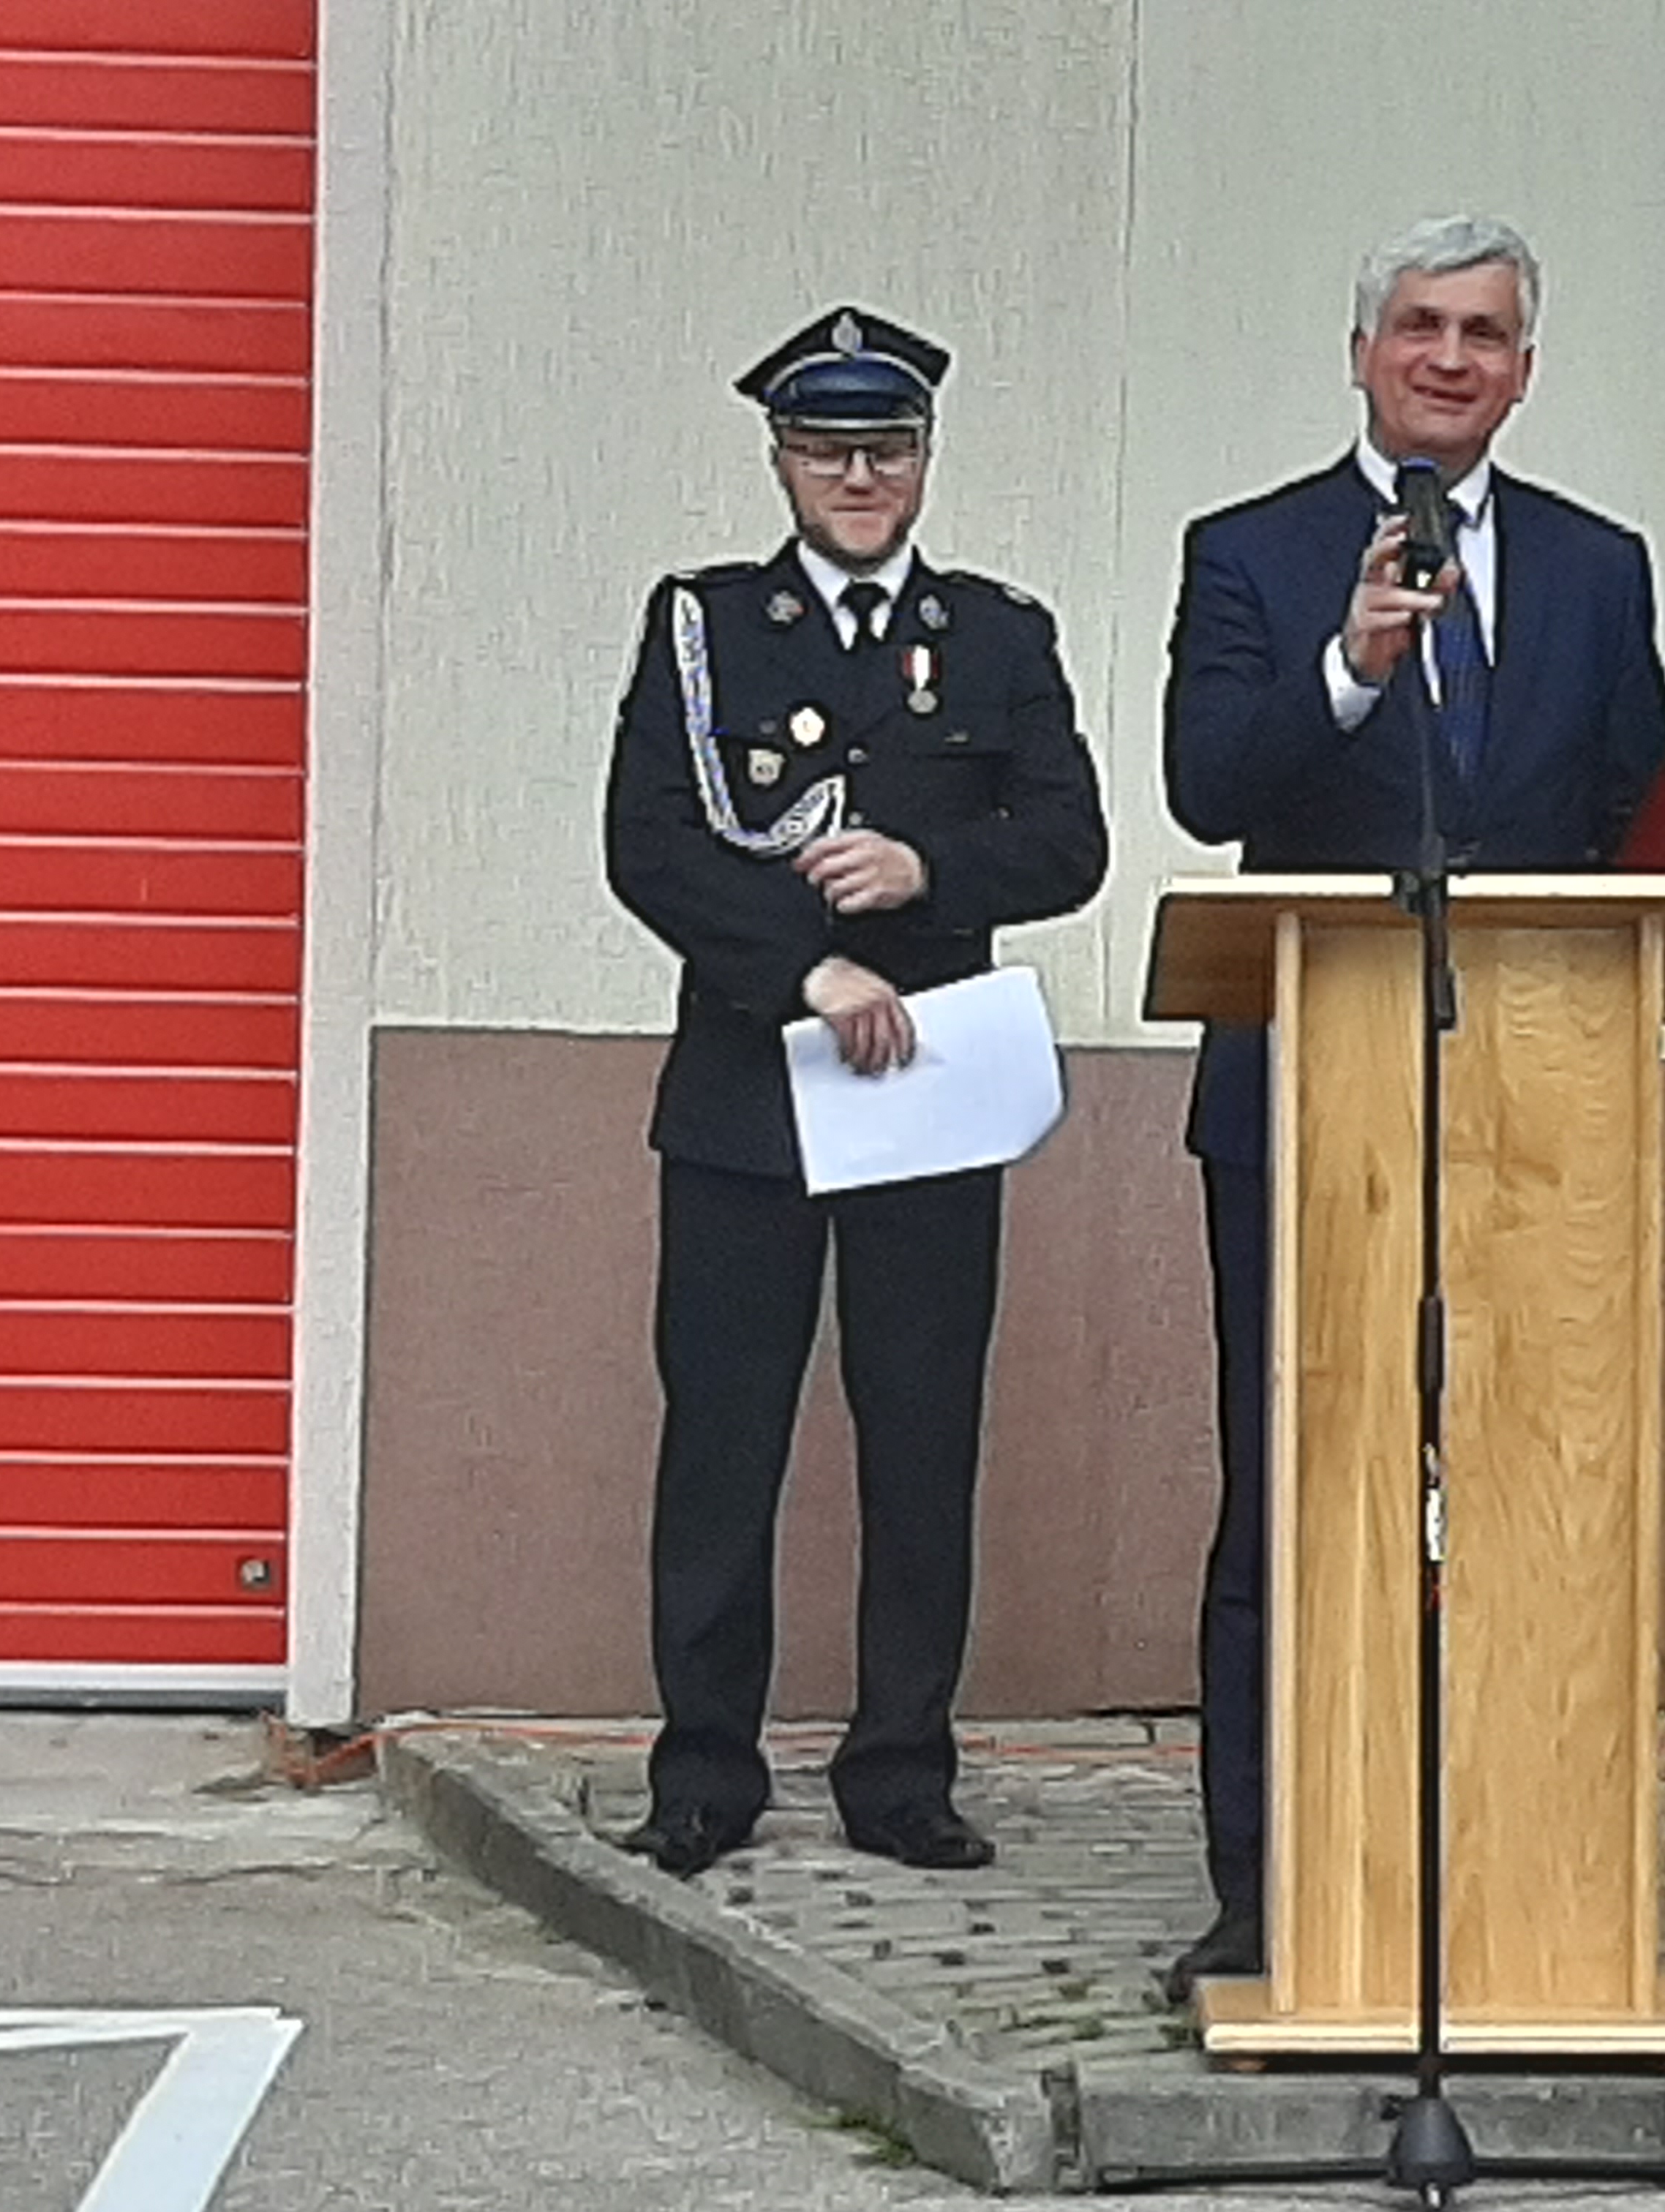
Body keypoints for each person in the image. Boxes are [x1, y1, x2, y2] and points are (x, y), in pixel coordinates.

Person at [1157, 217, 1665, 1997]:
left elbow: (1637, 827)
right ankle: (1270, 1889)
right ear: (1364, 353)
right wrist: (1352, 667)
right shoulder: (1252, 552)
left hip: (1536, 1115)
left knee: (1530, 1489)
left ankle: (1510, 1876)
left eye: (1486, 335)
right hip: (1310, 1101)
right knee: (1296, 1495)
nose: (1451, 359)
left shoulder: (1600, 569)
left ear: (1524, 372)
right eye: (1422, 327)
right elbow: (1207, 785)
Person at [604, 306, 1108, 1881]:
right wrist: (804, 969)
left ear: (925, 460)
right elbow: (649, 844)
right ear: (782, 462)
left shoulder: (998, 636)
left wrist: (927, 867)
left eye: (888, 450)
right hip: (751, 1094)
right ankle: (705, 1769)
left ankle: (900, 1770)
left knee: (921, 1436)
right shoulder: (707, 626)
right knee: (723, 1443)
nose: (861, 478)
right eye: (829, 452)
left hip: (926, 1099)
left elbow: (1071, 843)